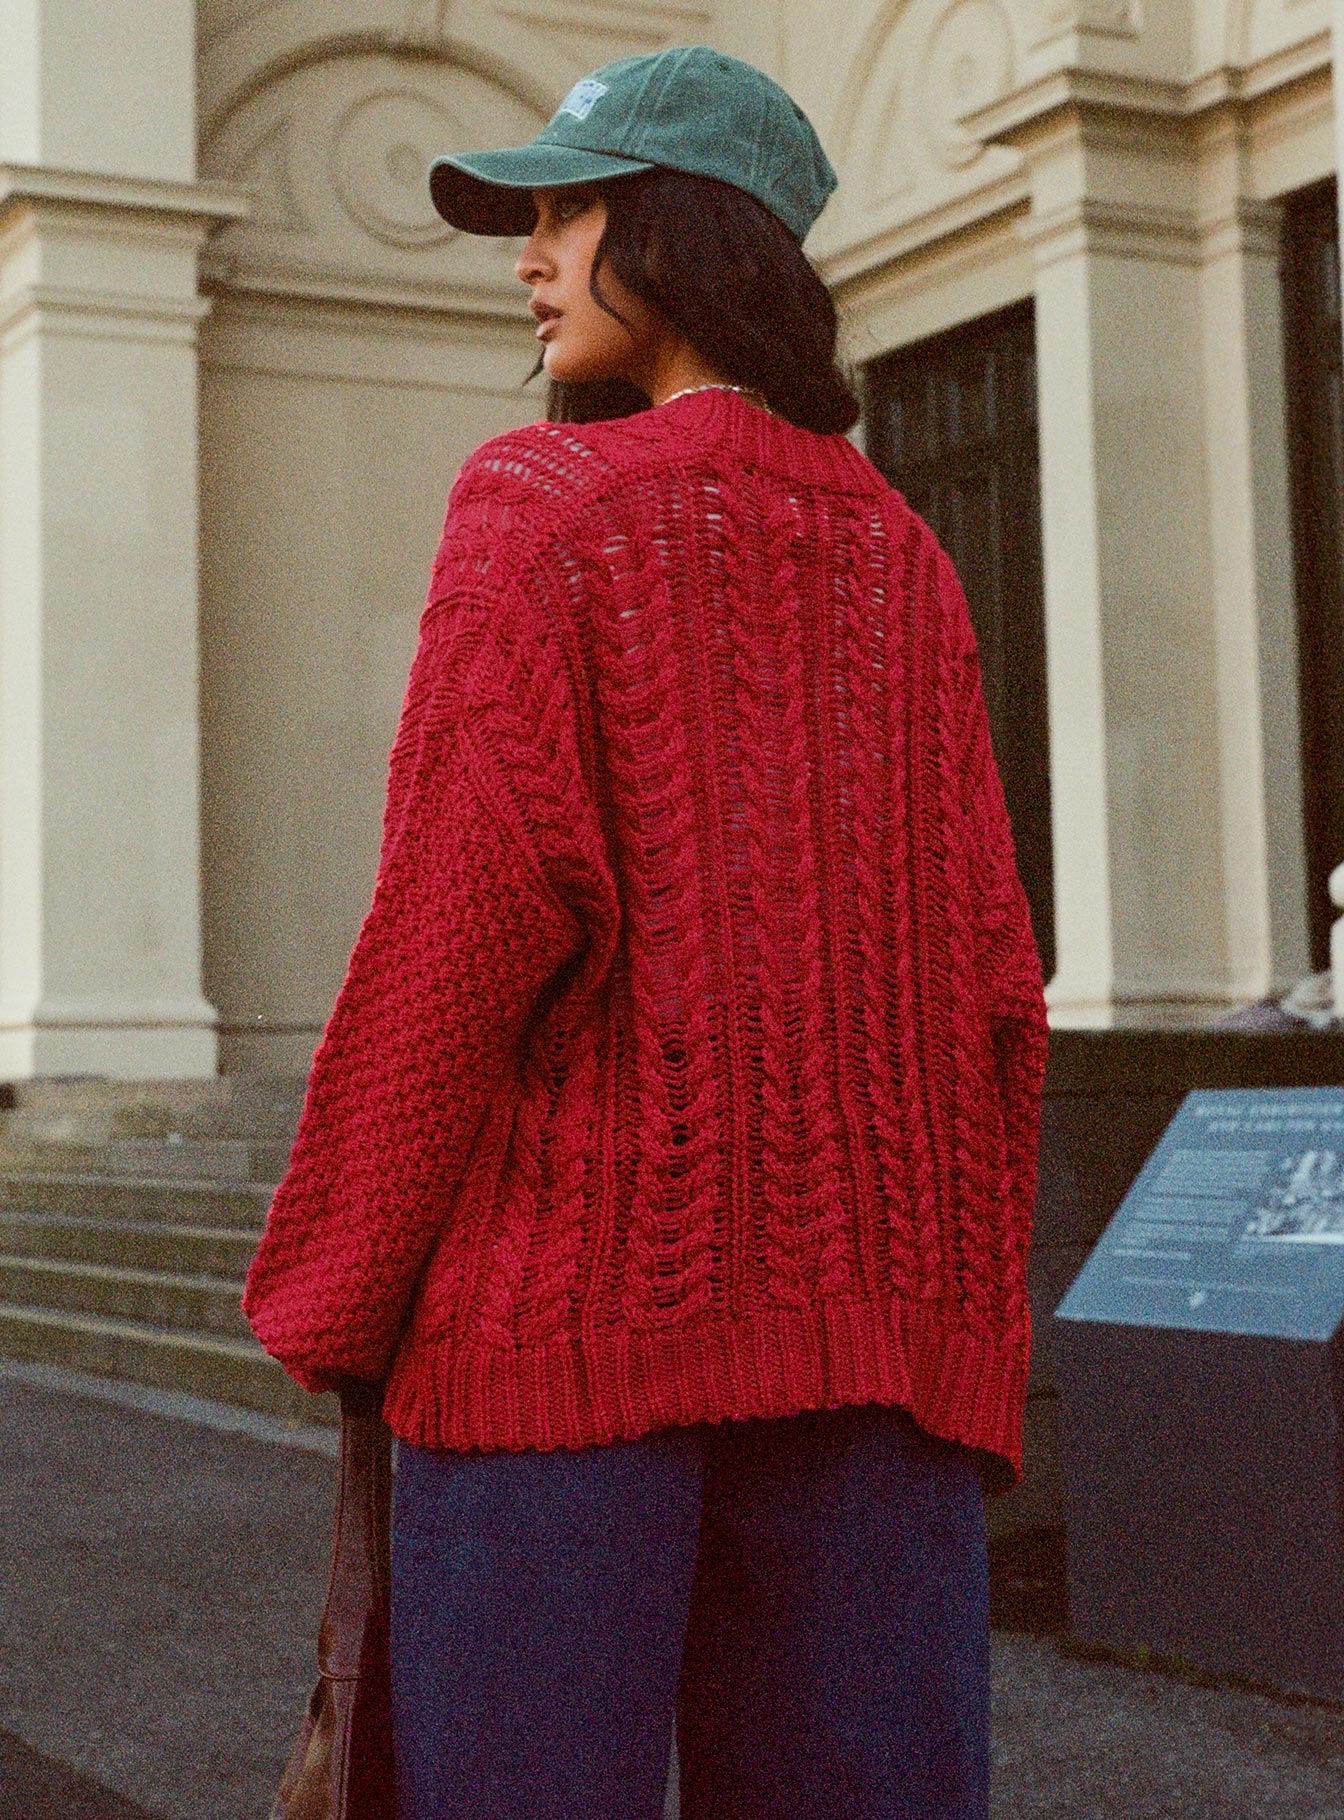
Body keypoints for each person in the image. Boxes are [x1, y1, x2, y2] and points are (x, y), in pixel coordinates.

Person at [243, 44, 1049, 1820]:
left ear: (690, 236)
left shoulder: (543, 514)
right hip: (873, 1360)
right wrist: (952, 1315)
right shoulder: (902, 552)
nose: (528, 256)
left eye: (567, 209)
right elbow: (999, 983)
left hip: (561, 1350)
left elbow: (451, 945)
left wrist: (335, 1291)